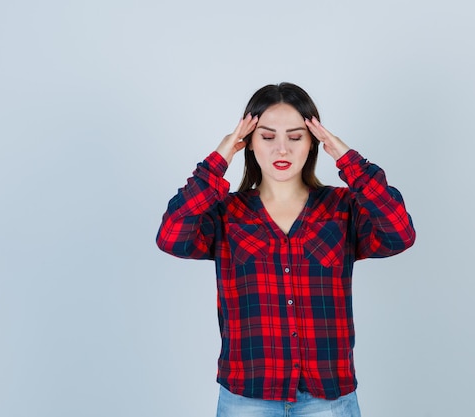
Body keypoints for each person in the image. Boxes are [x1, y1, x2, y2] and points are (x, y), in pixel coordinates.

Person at [156, 82, 416, 416]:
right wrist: (219, 159)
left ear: (313, 144)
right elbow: (171, 235)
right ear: (248, 143)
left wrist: (348, 159)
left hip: (328, 399)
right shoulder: (226, 214)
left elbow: (400, 233)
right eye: (267, 137)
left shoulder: (341, 208)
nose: (282, 149)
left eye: (295, 137)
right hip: (246, 398)